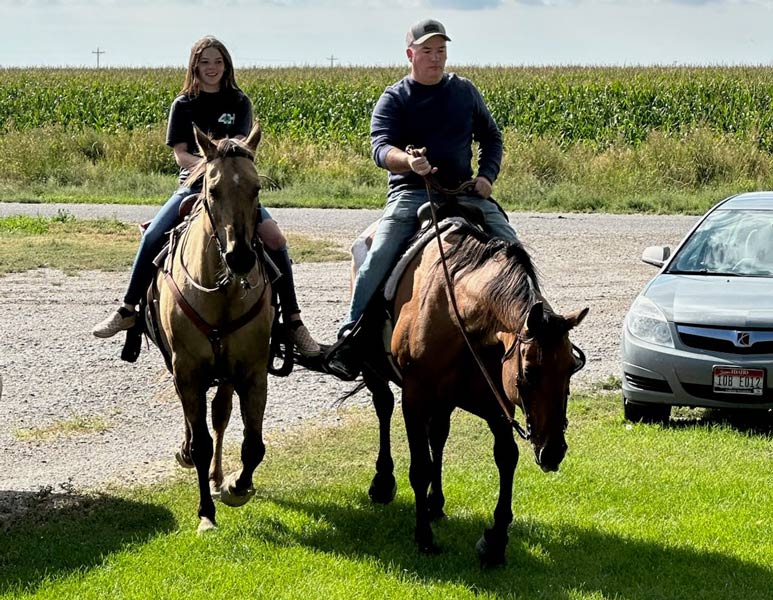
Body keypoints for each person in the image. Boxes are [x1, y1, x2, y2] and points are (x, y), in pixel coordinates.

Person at [92, 35, 320, 357]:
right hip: (192, 184)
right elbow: (180, 154)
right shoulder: (183, 105)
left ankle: (294, 322)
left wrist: (223, 168)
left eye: (218, 62)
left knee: (276, 240)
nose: (211, 68)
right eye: (205, 62)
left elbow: (240, 147)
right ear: (194, 65)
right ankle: (128, 308)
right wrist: (208, 166)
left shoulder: (239, 102)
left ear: (226, 65)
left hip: (234, 189)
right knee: (154, 234)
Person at [326, 18, 517, 379]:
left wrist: (486, 177)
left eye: (441, 50)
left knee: (511, 246)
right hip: (411, 192)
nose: (435, 58)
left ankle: (534, 325)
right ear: (410, 54)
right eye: (427, 51)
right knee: (380, 254)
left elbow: (491, 137)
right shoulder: (394, 98)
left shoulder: (464, 91)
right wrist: (409, 162)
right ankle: (350, 335)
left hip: (463, 192)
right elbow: (380, 149)